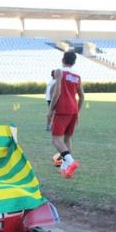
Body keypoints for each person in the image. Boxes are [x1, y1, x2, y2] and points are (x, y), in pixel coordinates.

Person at [47, 51, 84, 179]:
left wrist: (51, 110)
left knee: (56, 139)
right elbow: (82, 96)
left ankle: (71, 162)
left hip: (62, 110)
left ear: (63, 59)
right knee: (67, 139)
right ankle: (64, 169)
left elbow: (57, 92)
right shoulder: (77, 76)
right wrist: (77, 112)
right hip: (73, 110)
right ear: (74, 62)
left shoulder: (59, 72)